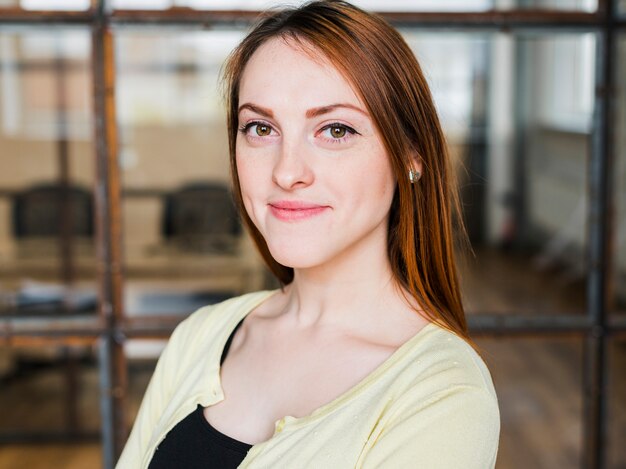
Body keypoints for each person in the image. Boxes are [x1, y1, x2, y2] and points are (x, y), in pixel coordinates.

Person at [116, 1, 500, 467]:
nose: (287, 172)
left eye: (335, 130)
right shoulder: (200, 337)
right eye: (260, 128)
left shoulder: (442, 392)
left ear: (411, 155)